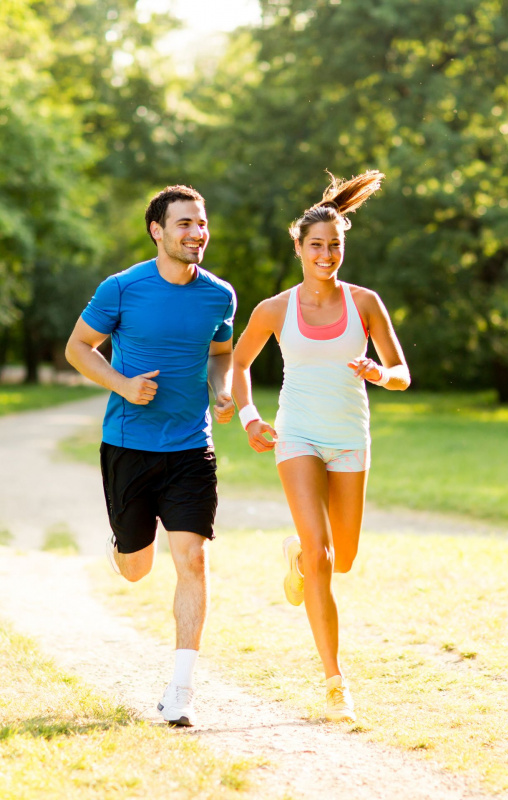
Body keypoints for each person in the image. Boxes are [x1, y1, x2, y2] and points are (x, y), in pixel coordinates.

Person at [232, 170, 410, 723]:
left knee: (346, 557)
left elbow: (402, 371)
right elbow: (238, 364)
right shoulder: (275, 309)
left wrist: (378, 374)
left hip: (350, 436)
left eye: (334, 245)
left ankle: (298, 551)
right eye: (317, 245)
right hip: (298, 435)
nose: (326, 254)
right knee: (322, 556)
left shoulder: (366, 303)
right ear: (299, 248)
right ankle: (335, 681)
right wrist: (249, 416)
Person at [65, 184, 236, 727]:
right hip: (129, 446)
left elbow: (221, 352)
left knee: (193, 560)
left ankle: (181, 691)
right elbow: (77, 349)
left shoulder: (220, 295)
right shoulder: (121, 288)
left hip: (191, 447)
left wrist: (223, 387)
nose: (196, 233)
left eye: (201, 223)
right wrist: (121, 383)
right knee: (136, 569)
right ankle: (122, 540)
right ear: (157, 231)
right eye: (184, 224)